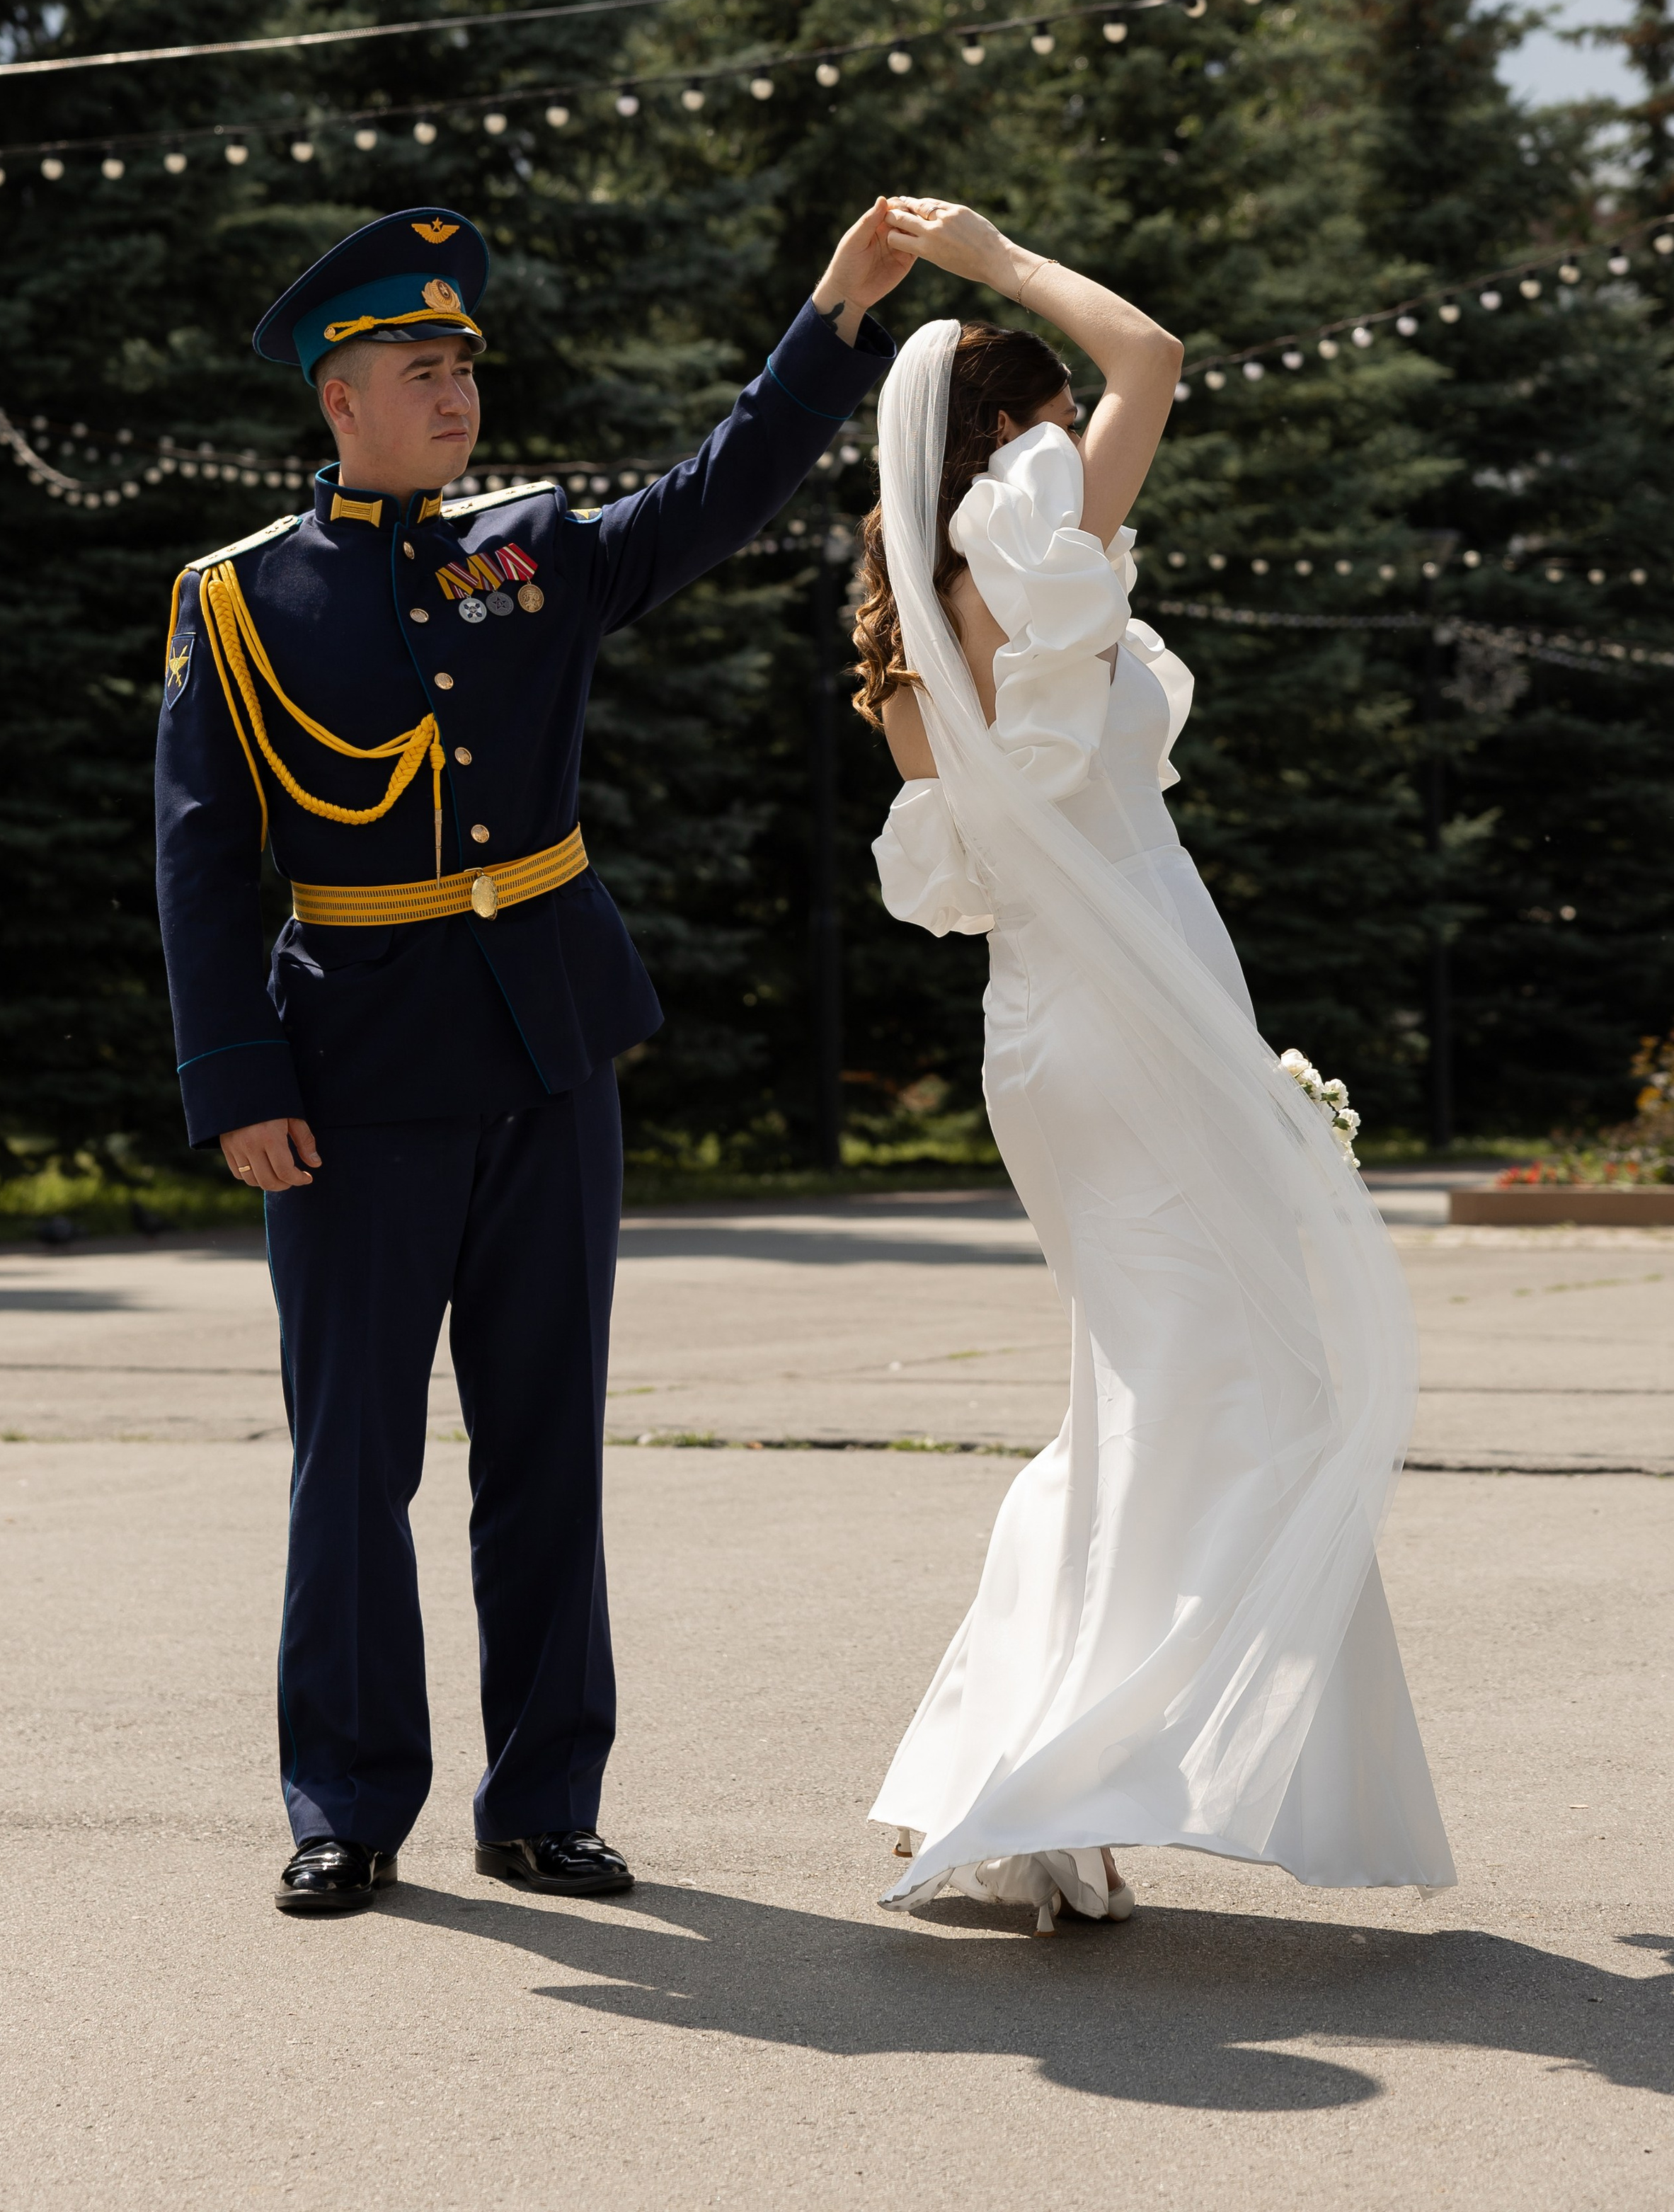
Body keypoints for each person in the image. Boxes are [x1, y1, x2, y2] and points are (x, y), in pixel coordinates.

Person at [155, 200, 906, 1913]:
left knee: (547, 1442)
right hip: (348, 1075)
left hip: (550, 1048)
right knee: (355, 1455)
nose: (455, 398)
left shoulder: (536, 548)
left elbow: (717, 493)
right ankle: (344, 1801)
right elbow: (202, 857)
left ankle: (541, 1796)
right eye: (419, 371)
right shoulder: (240, 600)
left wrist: (833, 319)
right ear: (336, 398)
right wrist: (239, 1080)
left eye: (461, 370)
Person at [852, 197, 1455, 1932]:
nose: (1074, 442)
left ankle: (1013, 1772)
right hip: (1135, 1011)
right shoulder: (1028, 536)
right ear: (1005, 433)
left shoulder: (907, 636)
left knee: (1140, 1401)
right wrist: (993, 260)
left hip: (1044, 1034)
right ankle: (1051, 1771)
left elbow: (957, 879)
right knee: (1244, 1392)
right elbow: (1154, 354)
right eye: (1043, 418)